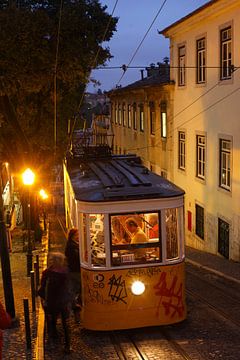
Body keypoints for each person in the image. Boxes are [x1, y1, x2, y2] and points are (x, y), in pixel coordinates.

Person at [38, 252, 72, 354]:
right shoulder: (66, 272)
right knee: (65, 323)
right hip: (63, 301)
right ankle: (67, 345)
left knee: (52, 319)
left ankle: (53, 338)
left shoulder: (47, 273)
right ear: (61, 261)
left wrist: (44, 299)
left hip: (52, 301)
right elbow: (69, 287)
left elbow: (43, 288)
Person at [65, 228, 81, 322]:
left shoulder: (72, 244)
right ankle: (74, 308)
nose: (79, 236)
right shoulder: (72, 246)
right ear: (73, 235)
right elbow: (76, 258)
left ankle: (74, 307)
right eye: (77, 234)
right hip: (74, 271)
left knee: (75, 289)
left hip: (73, 270)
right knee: (76, 289)